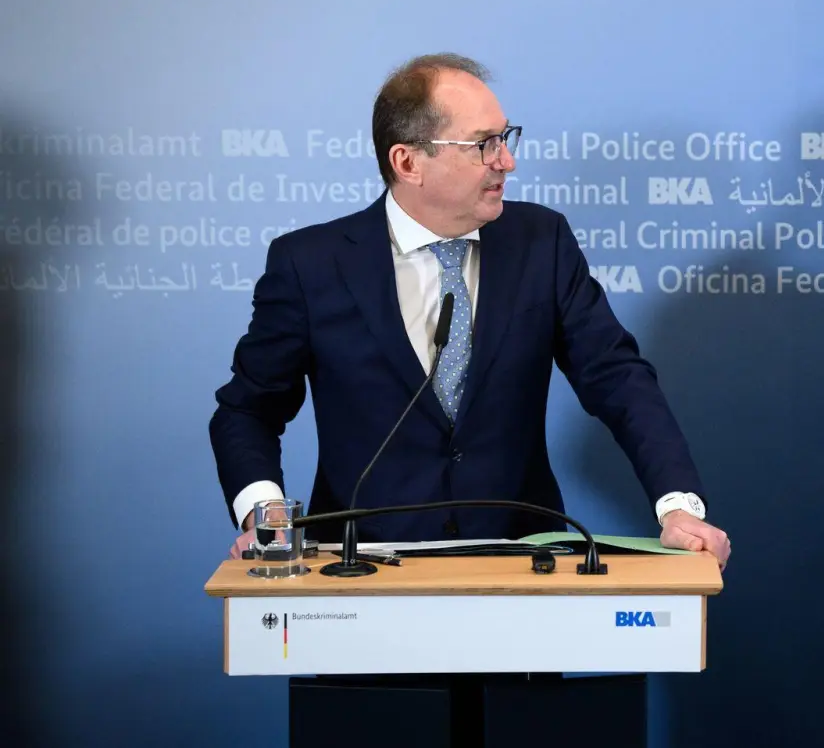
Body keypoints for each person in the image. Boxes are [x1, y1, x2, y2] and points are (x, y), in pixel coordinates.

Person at [210, 53, 730, 566]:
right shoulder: (311, 264)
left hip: (523, 558)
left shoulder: (541, 242)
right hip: (361, 563)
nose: (507, 161)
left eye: (505, 138)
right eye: (484, 144)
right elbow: (248, 409)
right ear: (407, 162)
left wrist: (676, 504)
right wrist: (263, 513)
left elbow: (617, 378)